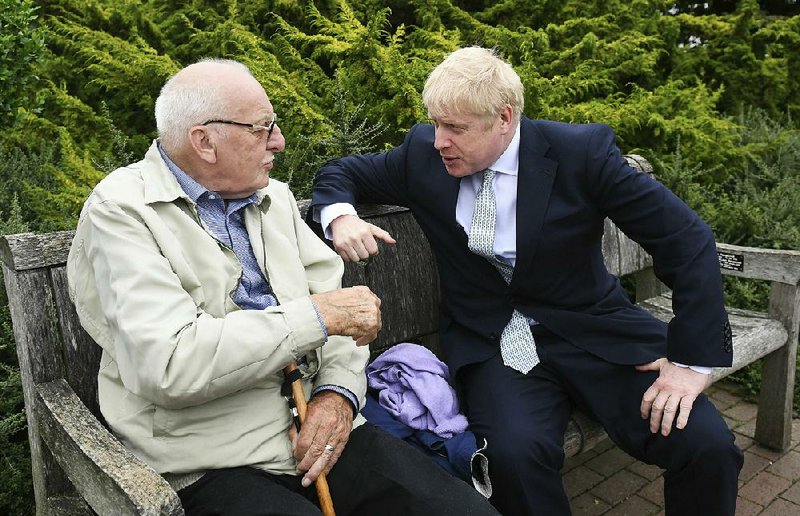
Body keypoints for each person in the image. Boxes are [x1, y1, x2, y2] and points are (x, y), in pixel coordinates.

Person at [311, 47, 744, 515]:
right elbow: (342, 171)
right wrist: (340, 216)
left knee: (706, 446)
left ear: (504, 118)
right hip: (495, 343)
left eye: (455, 128)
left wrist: (690, 360)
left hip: (594, 332)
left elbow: (686, 238)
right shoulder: (423, 156)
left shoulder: (580, 154)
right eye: (436, 123)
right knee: (513, 459)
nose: (440, 141)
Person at [66, 58, 499, 516]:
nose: (279, 141)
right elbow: (170, 364)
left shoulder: (273, 198)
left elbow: (341, 321)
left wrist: (338, 395)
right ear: (205, 141)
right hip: (207, 459)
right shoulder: (122, 213)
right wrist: (316, 318)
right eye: (262, 128)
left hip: (319, 430)